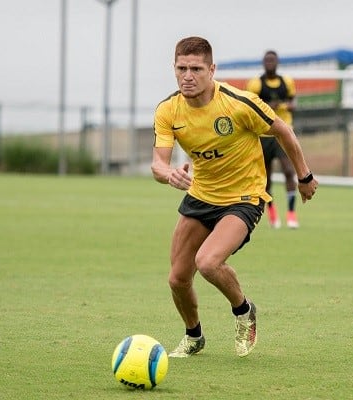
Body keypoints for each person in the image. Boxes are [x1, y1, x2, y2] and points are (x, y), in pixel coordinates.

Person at [151, 36, 318, 358]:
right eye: (181, 68)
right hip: (201, 196)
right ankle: (194, 336)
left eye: (196, 69)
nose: (188, 76)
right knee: (177, 278)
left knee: (209, 262)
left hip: (244, 197)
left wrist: (304, 176)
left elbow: (282, 129)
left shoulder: (239, 103)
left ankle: (244, 311)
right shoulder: (168, 110)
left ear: (211, 69)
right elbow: (158, 162)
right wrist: (168, 173)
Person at [246, 50, 299, 229]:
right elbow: (250, 107)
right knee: (266, 177)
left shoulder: (287, 82)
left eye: (272, 60)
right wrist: (269, 106)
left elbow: (294, 103)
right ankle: (272, 212)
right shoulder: (255, 84)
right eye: (267, 60)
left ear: (277, 62)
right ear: (263, 63)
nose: (270, 63)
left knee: (288, 170)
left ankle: (291, 214)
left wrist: (289, 106)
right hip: (263, 135)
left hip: (283, 133)